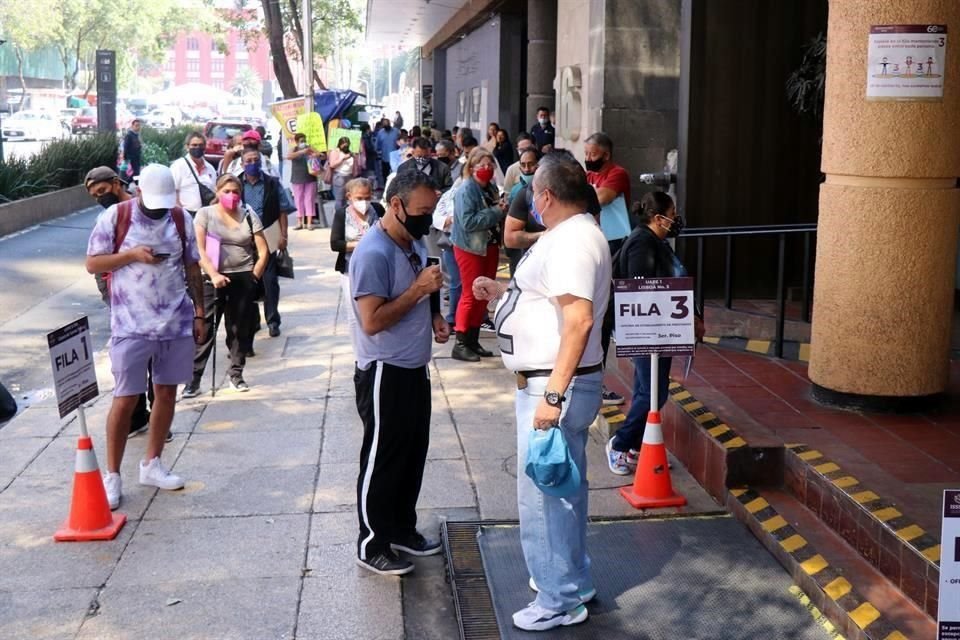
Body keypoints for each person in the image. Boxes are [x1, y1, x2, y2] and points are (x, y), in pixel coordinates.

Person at [472, 152, 610, 632]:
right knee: (563, 490)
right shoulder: (568, 236)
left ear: (546, 196)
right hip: (553, 383)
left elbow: (578, 320)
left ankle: (557, 598)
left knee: (543, 496)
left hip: (552, 387)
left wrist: (551, 398)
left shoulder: (573, 242)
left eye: (533, 195)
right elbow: (548, 298)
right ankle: (570, 580)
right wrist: (504, 292)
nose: (531, 203)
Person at [85, 164, 206, 510]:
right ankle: (112, 475)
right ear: (138, 192)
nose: (159, 210)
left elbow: (192, 266)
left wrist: (199, 313)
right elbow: (93, 264)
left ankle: (152, 463)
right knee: (125, 399)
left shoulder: (179, 218)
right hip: (130, 325)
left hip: (175, 322)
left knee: (166, 393)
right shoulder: (115, 217)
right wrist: (131, 256)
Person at [350, 170, 451, 576]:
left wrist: (435, 314)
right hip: (383, 371)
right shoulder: (373, 253)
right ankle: (372, 541)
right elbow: (372, 321)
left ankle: (401, 528)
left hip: (414, 367)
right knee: (382, 457)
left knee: (411, 453)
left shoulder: (412, 241)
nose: (428, 221)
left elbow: (419, 291)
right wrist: (418, 292)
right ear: (397, 206)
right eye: (422, 212)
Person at [605, 191, 703, 475]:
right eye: (672, 214)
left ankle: (636, 447)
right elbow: (642, 290)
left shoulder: (654, 241)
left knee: (646, 391)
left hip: (658, 331)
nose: (676, 219)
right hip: (647, 332)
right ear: (658, 217)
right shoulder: (641, 244)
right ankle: (620, 445)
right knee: (653, 394)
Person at [84, 166, 163, 440]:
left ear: (117, 184)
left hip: (154, 295)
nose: (99, 197)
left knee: (156, 358)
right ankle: (136, 417)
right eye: (95, 195)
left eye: (102, 191)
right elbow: (95, 262)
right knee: (131, 360)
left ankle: (158, 418)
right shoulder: (103, 219)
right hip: (121, 298)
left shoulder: (145, 208)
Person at [182, 174, 269, 397]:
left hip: (242, 277)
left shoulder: (248, 214)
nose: (232, 196)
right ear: (218, 192)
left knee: (239, 329)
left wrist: (254, 276)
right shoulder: (205, 214)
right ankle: (194, 379)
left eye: (236, 192)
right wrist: (213, 273)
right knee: (206, 327)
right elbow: (198, 249)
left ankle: (236, 374)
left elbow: (263, 249)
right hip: (211, 279)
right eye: (227, 191)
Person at [585, 132, 631, 406]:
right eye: (586, 153)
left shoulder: (617, 174)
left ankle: (596, 380)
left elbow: (599, 199)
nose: (588, 158)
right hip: (596, 244)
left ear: (606, 154)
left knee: (604, 315)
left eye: (592, 154)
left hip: (614, 249)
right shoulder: (590, 176)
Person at [450, 148, 506, 362]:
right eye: (482, 165)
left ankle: (473, 340)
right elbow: (468, 222)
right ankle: (461, 342)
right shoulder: (466, 190)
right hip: (470, 247)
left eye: (490, 165)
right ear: (471, 167)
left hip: (488, 245)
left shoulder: (490, 187)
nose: (487, 169)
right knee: (470, 293)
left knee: (485, 293)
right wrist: (496, 212)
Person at [239, 148, 294, 338]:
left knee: (270, 280)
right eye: (248, 161)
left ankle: (272, 320)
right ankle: (253, 322)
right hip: (243, 239)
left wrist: (283, 235)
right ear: (242, 163)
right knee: (248, 281)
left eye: (256, 160)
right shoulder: (236, 183)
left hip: (268, 235)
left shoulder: (272, 183)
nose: (252, 163)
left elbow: (283, 210)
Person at [330, 178, 383, 339]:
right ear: (349, 197)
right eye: (359, 198)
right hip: (350, 269)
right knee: (355, 314)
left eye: (368, 197)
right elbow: (335, 244)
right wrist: (360, 244)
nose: (364, 202)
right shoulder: (341, 215)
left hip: (377, 268)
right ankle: (361, 356)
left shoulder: (378, 209)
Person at [503, 148, 544, 275]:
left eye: (531, 164)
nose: (527, 169)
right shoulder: (517, 191)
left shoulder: (549, 189)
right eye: (523, 165)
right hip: (521, 250)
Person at [170, 131, 217, 215]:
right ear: (187, 147)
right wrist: (181, 214)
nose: (198, 147)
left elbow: (215, 191)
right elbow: (173, 192)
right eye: (194, 145)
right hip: (185, 213)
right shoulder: (178, 166)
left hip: (206, 214)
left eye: (201, 145)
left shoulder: (210, 169)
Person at [286, 132, 319, 230]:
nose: (303, 142)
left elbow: (319, 154)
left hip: (310, 177)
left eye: (304, 140)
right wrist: (301, 152)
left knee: (309, 200)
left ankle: (309, 222)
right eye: (301, 141)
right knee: (298, 200)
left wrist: (313, 153)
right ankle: (299, 222)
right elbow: (289, 156)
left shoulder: (309, 147)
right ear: (296, 142)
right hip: (297, 178)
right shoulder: (294, 149)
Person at [328, 136, 357, 211]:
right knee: (340, 199)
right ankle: (338, 215)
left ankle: (344, 215)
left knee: (346, 198)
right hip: (339, 176)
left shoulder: (350, 152)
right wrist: (343, 159)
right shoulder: (335, 152)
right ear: (340, 144)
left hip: (349, 176)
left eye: (347, 145)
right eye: (344, 145)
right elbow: (332, 164)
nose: (346, 147)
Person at [376, 118, 401, 185]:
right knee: (385, 175)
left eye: (387, 123)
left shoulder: (396, 131)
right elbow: (377, 145)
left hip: (395, 158)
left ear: (390, 124)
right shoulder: (380, 133)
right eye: (384, 124)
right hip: (385, 158)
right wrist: (378, 153)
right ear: (383, 125)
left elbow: (400, 143)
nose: (386, 125)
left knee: (395, 175)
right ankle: (386, 188)